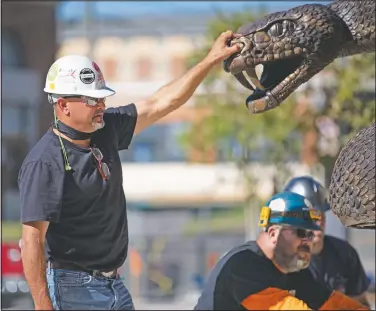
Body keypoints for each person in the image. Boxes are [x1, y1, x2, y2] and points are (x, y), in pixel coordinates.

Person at [18, 31, 241, 310]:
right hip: (73, 288)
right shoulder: (44, 162)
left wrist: (211, 59)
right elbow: (31, 241)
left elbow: (162, 102)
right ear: (62, 105)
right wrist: (43, 306)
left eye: (101, 98)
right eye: (91, 100)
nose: (100, 105)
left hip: (114, 284)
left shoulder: (106, 128)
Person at [194, 191, 369, 310]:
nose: (309, 239)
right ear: (273, 233)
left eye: (310, 233)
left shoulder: (294, 272)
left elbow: (332, 304)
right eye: (301, 232)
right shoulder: (242, 266)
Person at [283, 175, 371, 307]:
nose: (319, 220)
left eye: (321, 213)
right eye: (310, 215)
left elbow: (361, 303)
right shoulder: (282, 261)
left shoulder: (344, 253)